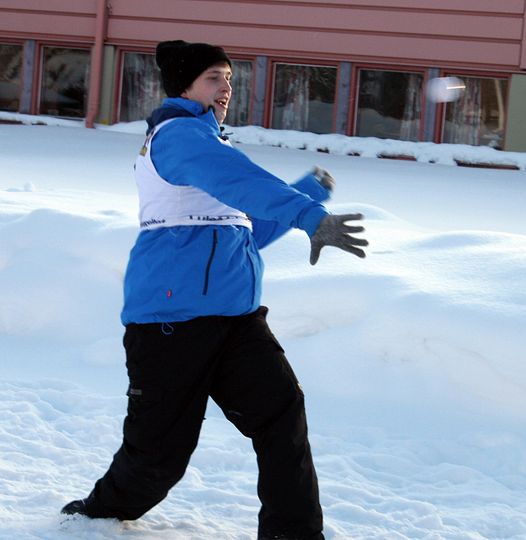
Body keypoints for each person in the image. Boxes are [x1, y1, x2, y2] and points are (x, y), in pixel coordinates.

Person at [60, 40, 367, 540]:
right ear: (184, 84)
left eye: (228, 78)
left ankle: (295, 533)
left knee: (282, 417)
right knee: (158, 455)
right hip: (170, 322)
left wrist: (306, 198)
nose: (226, 89)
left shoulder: (212, 145)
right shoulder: (178, 136)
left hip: (238, 321)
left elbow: (244, 233)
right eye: (213, 78)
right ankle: (95, 517)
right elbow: (243, 183)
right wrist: (307, 213)